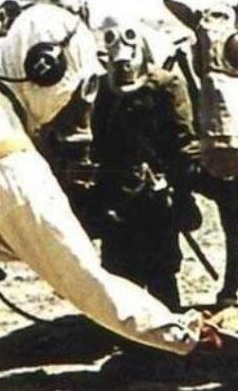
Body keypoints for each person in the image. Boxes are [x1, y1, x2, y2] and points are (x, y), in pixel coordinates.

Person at [0, 4, 217, 360]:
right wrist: (179, 331)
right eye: (84, 87)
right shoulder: (11, 163)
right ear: (49, 73)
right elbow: (82, 279)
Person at [88, 18, 202, 311]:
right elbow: (98, 144)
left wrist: (181, 194)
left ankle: (166, 327)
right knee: (120, 275)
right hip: (116, 197)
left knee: (161, 274)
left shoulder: (166, 84)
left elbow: (184, 145)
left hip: (157, 197)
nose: (125, 69)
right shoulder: (102, 90)